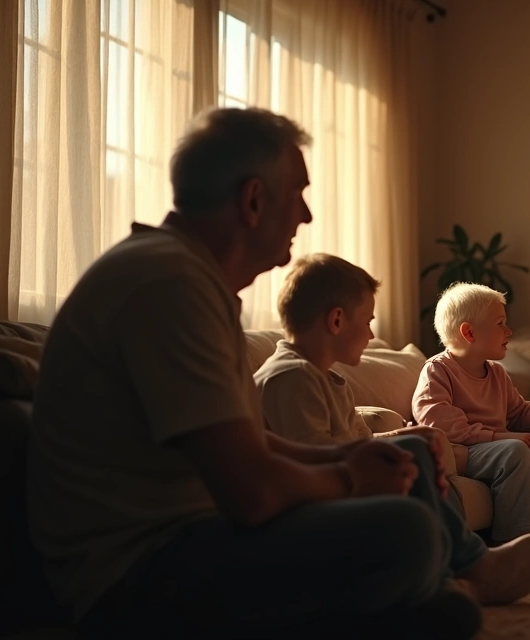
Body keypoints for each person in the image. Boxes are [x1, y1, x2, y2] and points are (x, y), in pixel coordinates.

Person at [28, 107, 480, 639]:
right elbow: (253, 492)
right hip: (137, 572)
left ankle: (423, 597)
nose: (307, 216)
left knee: (403, 465)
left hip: (194, 533)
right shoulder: (168, 285)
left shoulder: (188, 278)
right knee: (406, 534)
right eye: (299, 195)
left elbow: (245, 443)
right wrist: (352, 478)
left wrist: (343, 453)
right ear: (253, 200)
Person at [253, 252, 530, 605]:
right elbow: (314, 461)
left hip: (335, 495)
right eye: (368, 321)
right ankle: (467, 565)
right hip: (304, 514)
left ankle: (465, 565)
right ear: (336, 320)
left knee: (414, 447)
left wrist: (401, 436)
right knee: (412, 460)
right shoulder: (291, 378)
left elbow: (354, 443)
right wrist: (395, 449)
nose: (371, 334)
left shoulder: (325, 378)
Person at [413, 282, 530, 557]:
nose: (509, 331)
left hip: (492, 448)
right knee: (515, 450)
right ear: (469, 332)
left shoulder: (496, 373)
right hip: (460, 452)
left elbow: (518, 411)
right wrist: (499, 437)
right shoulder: (438, 370)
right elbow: (439, 423)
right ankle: (514, 541)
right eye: (500, 323)